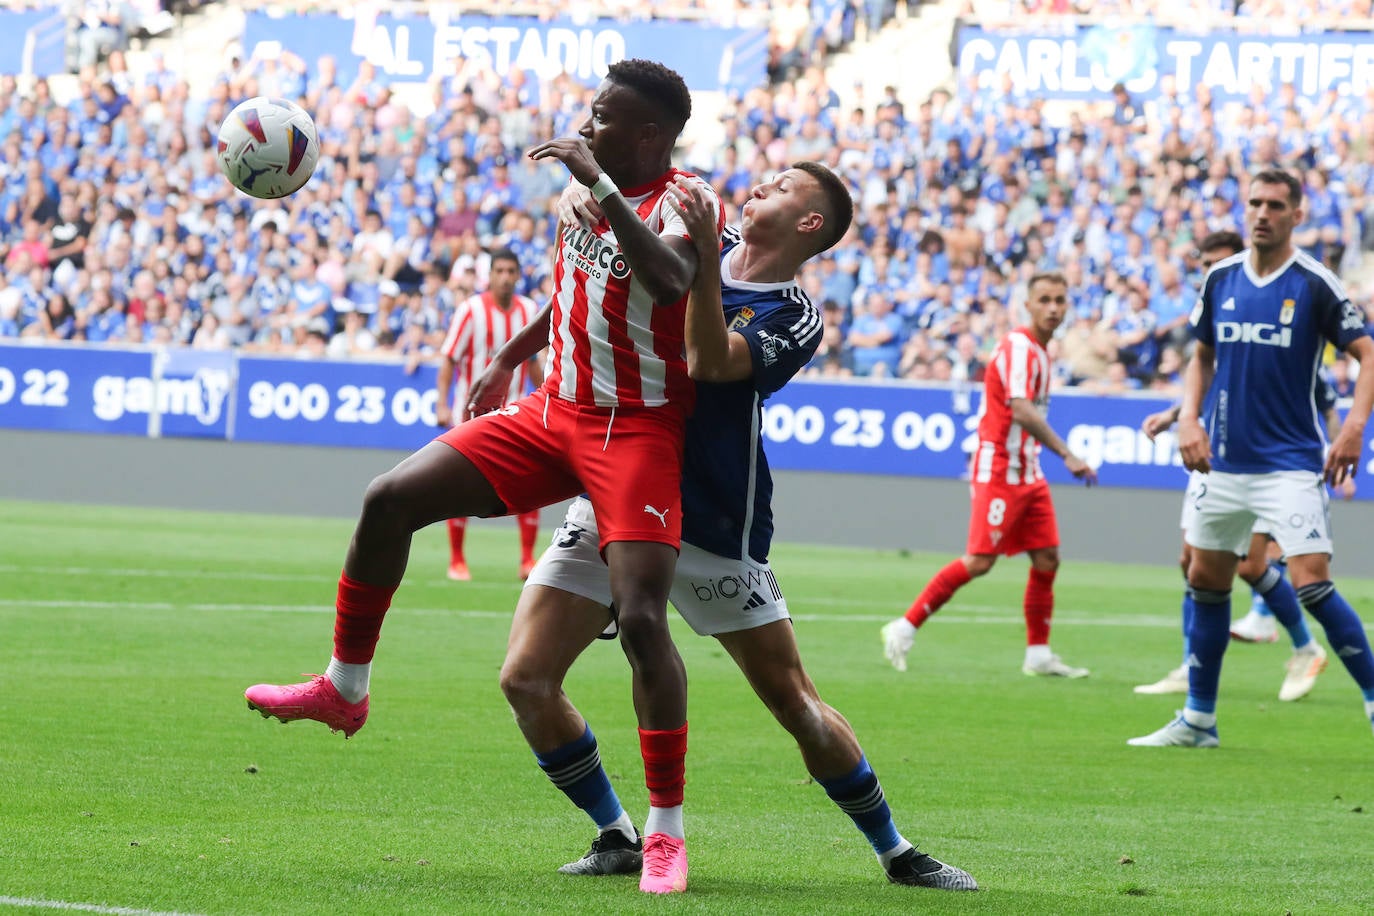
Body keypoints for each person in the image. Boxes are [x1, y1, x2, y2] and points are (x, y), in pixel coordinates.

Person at [245, 61, 720, 888]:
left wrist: (599, 185)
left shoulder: (687, 201)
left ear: (648, 134)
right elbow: (581, 290)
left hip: (636, 432)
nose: (586, 124)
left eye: (603, 116)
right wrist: (509, 352)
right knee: (389, 499)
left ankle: (666, 830)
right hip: (553, 411)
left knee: (642, 618)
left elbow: (670, 280)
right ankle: (343, 688)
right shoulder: (590, 190)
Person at [495, 163, 975, 893]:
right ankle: (617, 834)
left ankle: (897, 851)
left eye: (782, 187)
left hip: (710, 520)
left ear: (809, 224)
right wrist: (520, 338)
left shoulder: (794, 314)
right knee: (526, 678)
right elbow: (597, 281)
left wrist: (698, 259)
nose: (759, 187)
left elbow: (708, 359)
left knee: (794, 701)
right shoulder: (690, 240)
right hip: (613, 487)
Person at [1129, 168, 1374, 748]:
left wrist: (1354, 429)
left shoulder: (1315, 283)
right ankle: (1198, 719)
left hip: (1289, 463)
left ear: (1296, 214)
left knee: (1312, 583)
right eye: (1254, 203)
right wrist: (1186, 416)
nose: (1262, 213)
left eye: (1274, 205)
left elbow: (1367, 353)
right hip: (1223, 463)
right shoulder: (1220, 278)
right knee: (1206, 580)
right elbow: (1202, 356)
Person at [881, 272, 1098, 677]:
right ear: (1028, 305)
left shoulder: (1041, 351)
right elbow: (1020, 408)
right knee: (980, 561)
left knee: (1048, 558)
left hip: (1027, 470)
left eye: (1060, 300)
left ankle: (1038, 654)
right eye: (1045, 300)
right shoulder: (1019, 347)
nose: (1053, 307)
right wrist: (1068, 454)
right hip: (998, 468)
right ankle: (904, 627)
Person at [433, 248, 542, 582]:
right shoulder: (471, 311)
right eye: (500, 271)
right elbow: (450, 360)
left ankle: (526, 559)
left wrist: (544, 396)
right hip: (470, 414)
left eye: (511, 271)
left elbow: (534, 363)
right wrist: (441, 403)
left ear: (518, 275)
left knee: (531, 482)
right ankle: (456, 559)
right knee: (457, 487)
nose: (506, 277)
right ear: (490, 275)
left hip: (515, 413)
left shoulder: (529, 310)